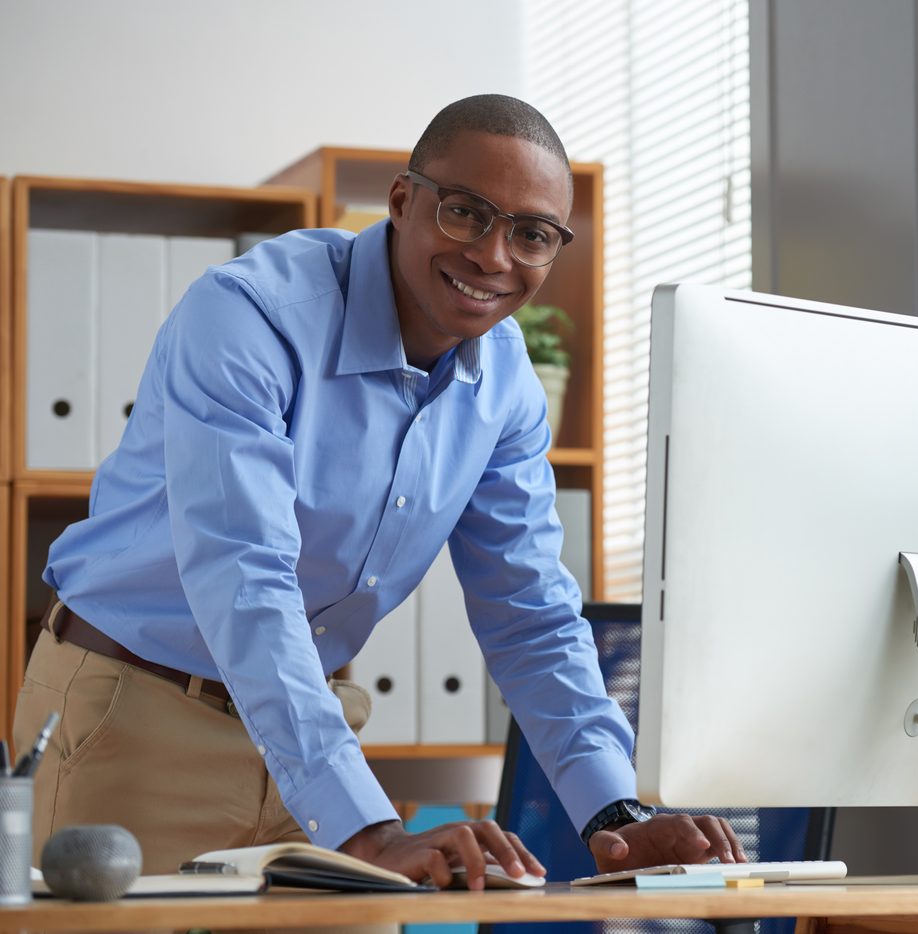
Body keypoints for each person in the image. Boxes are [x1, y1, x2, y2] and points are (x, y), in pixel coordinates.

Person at [12, 94, 744, 893]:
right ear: (402, 202)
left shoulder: (507, 389)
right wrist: (367, 828)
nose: (495, 257)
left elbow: (529, 612)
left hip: (311, 736)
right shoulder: (250, 317)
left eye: (532, 234)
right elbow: (245, 579)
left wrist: (615, 814)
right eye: (467, 213)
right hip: (134, 719)